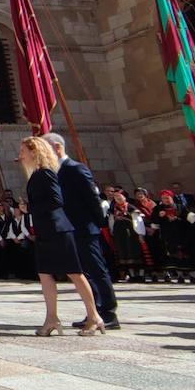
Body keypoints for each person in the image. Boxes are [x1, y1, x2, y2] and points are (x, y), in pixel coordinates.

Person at [19, 136, 104, 336]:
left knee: (75, 273)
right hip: (45, 231)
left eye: (23, 150)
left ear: (34, 151)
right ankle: (52, 319)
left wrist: (30, 207)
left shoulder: (46, 173)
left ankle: (94, 316)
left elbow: (56, 200)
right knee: (45, 275)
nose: (20, 155)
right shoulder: (35, 175)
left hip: (57, 230)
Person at [44, 133, 119, 329]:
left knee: (97, 270)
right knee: (85, 273)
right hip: (71, 230)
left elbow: (92, 198)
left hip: (85, 228)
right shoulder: (54, 171)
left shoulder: (75, 169)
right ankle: (93, 312)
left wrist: (98, 223)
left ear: (57, 148)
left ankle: (109, 313)